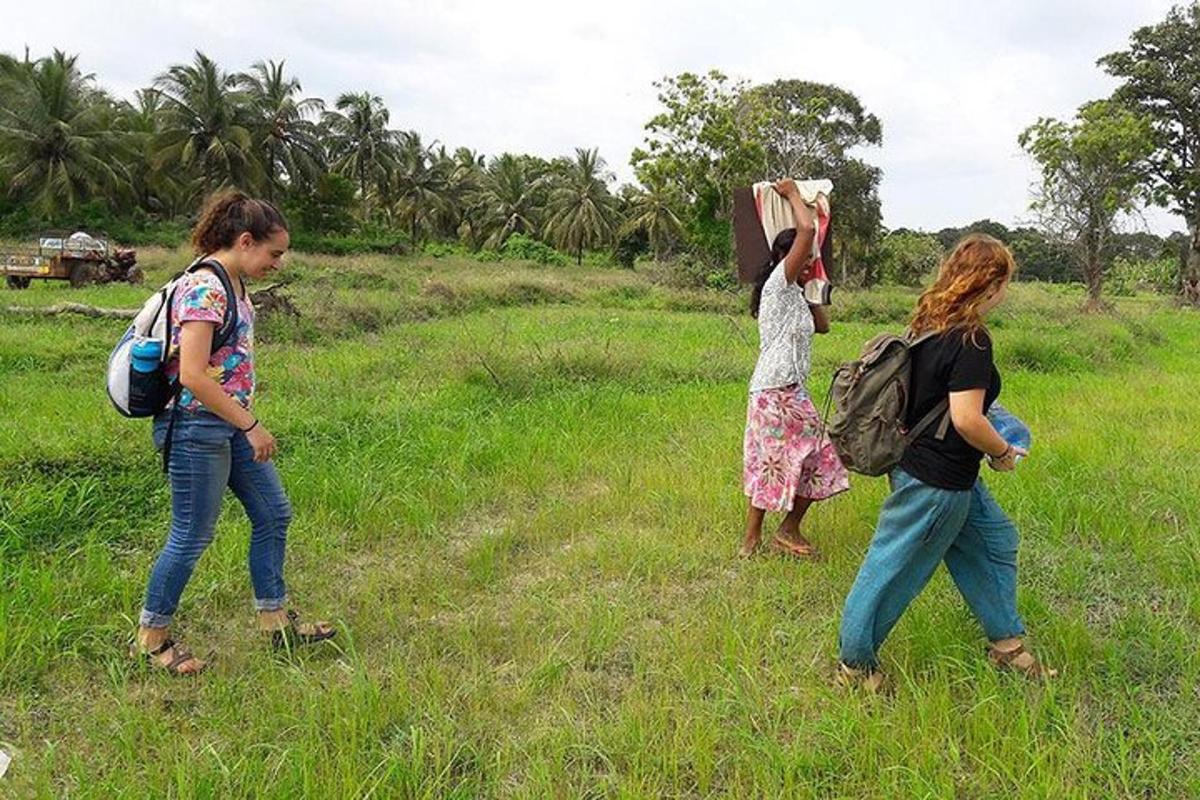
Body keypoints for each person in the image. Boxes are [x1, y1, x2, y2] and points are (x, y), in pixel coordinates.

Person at [837, 234, 1055, 691]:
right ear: (991, 283)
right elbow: (966, 418)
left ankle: (1007, 647)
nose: (1006, 291)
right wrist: (1001, 452)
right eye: (1006, 281)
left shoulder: (928, 322)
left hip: (936, 471)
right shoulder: (972, 339)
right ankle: (855, 666)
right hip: (936, 482)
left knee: (995, 540)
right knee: (893, 568)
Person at [132, 190, 334, 676]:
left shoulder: (235, 285)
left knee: (273, 513)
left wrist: (241, 421)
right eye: (275, 253)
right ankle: (152, 637)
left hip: (226, 423)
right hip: (197, 428)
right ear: (245, 241)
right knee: (192, 534)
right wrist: (251, 424)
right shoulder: (207, 287)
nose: (278, 264)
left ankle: (275, 623)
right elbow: (193, 375)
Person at [741, 179, 850, 560]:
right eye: (804, 259)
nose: (809, 263)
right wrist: (790, 194)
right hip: (776, 389)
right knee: (810, 455)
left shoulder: (795, 295)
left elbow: (823, 327)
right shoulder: (777, 285)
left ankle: (759, 539)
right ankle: (775, 533)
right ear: (787, 258)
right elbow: (806, 229)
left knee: (776, 460)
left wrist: (814, 292)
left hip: (785, 390)